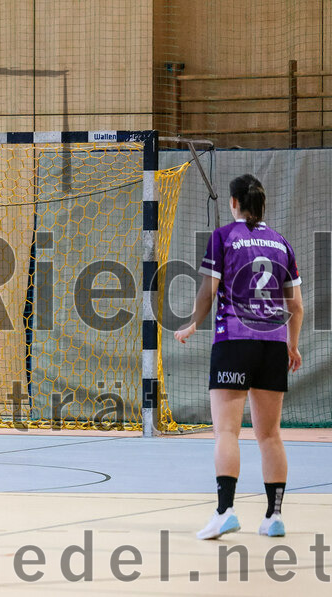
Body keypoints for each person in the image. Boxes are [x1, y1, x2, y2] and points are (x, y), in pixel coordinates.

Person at [174, 174, 303, 539]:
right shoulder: (281, 243)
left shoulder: (224, 237)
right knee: (270, 435)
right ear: (262, 204)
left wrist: (193, 323)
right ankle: (274, 516)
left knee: (226, 431)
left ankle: (225, 510)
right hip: (274, 344)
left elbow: (207, 291)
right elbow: (296, 305)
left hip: (234, 340)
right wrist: (292, 345)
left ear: (233, 203)